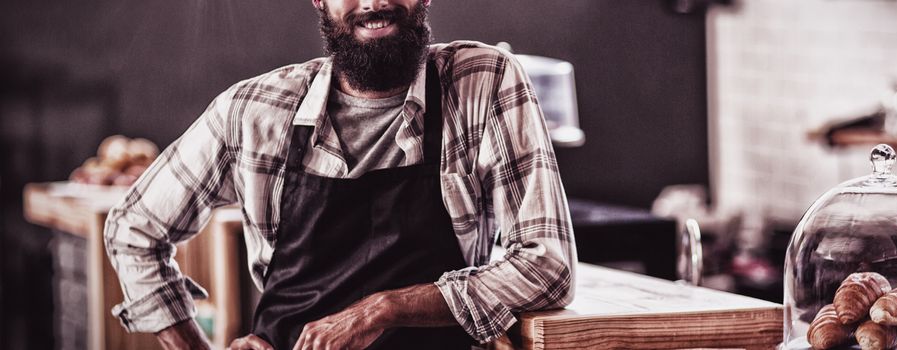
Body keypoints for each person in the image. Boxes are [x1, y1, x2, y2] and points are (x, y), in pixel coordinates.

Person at [103, 0, 577, 349]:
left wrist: (382, 310)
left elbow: (548, 266)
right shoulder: (254, 112)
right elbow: (133, 230)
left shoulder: (483, 82)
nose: (374, 4)